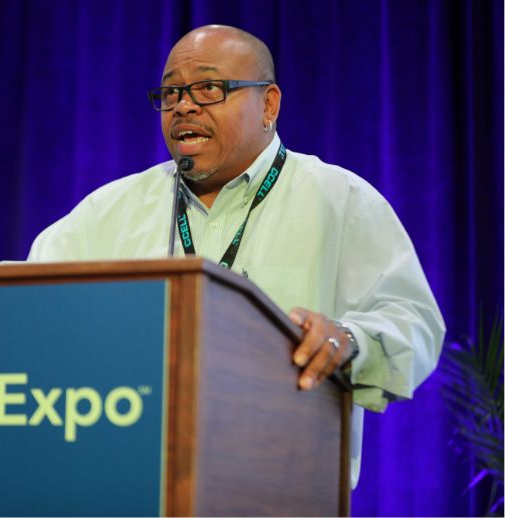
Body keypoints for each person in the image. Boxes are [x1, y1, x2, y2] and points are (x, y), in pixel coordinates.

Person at [27, 24, 445, 487]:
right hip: (128, 485)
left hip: (283, 491)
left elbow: (414, 323)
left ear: (268, 104)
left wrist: (347, 339)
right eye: (170, 92)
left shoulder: (340, 200)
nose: (183, 105)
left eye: (208, 88)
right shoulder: (109, 211)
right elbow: (25, 300)